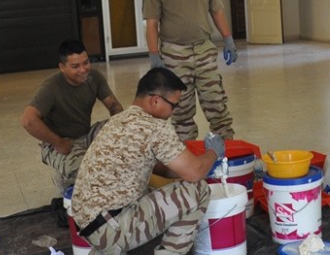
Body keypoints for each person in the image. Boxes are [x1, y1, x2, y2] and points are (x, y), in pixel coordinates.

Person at [71, 68, 225, 255]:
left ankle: (107, 247)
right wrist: (213, 152)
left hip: (86, 224)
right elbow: (195, 173)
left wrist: (184, 169)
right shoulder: (155, 127)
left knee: (150, 190)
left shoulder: (117, 121)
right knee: (198, 190)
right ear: (155, 100)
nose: (173, 112)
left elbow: (157, 166)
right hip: (111, 227)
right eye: (173, 106)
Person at [144, 0, 238, 141]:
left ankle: (226, 146)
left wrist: (228, 38)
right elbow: (152, 24)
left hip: (204, 49)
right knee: (181, 108)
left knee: (216, 103)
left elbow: (217, 11)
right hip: (174, 53)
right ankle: (186, 151)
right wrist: (154, 56)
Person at [21, 40, 124, 191]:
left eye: (86, 63)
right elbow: (28, 120)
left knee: (129, 134)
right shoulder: (50, 87)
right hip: (60, 143)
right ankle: (65, 178)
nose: (83, 70)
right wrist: (58, 142)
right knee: (91, 174)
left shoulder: (94, 77)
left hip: (85, 135)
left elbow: (114, 105)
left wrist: (121, 130)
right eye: (75, 66)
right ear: (62, 67)